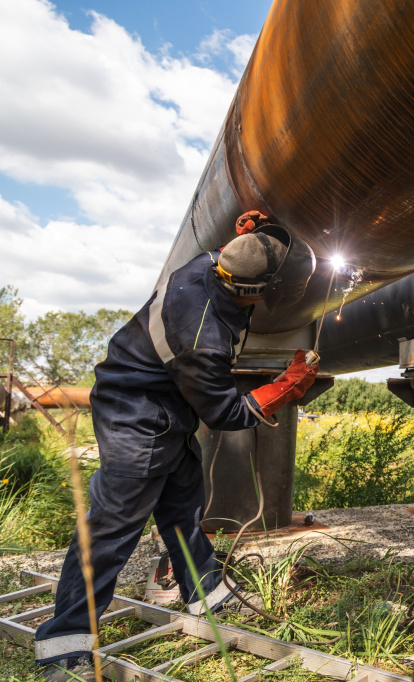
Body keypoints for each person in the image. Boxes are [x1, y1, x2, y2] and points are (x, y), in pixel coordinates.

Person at [35, 213, 319, 682]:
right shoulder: (199, 337)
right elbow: (224, 415)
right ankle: (64, 644)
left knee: (183, 504)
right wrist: (282, 389)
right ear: (248, 290)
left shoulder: (212, 261)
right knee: (111, 530)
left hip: (167, 403)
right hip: (137, 414)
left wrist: (264, 232)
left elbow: (254, 250)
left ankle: (205, 591)